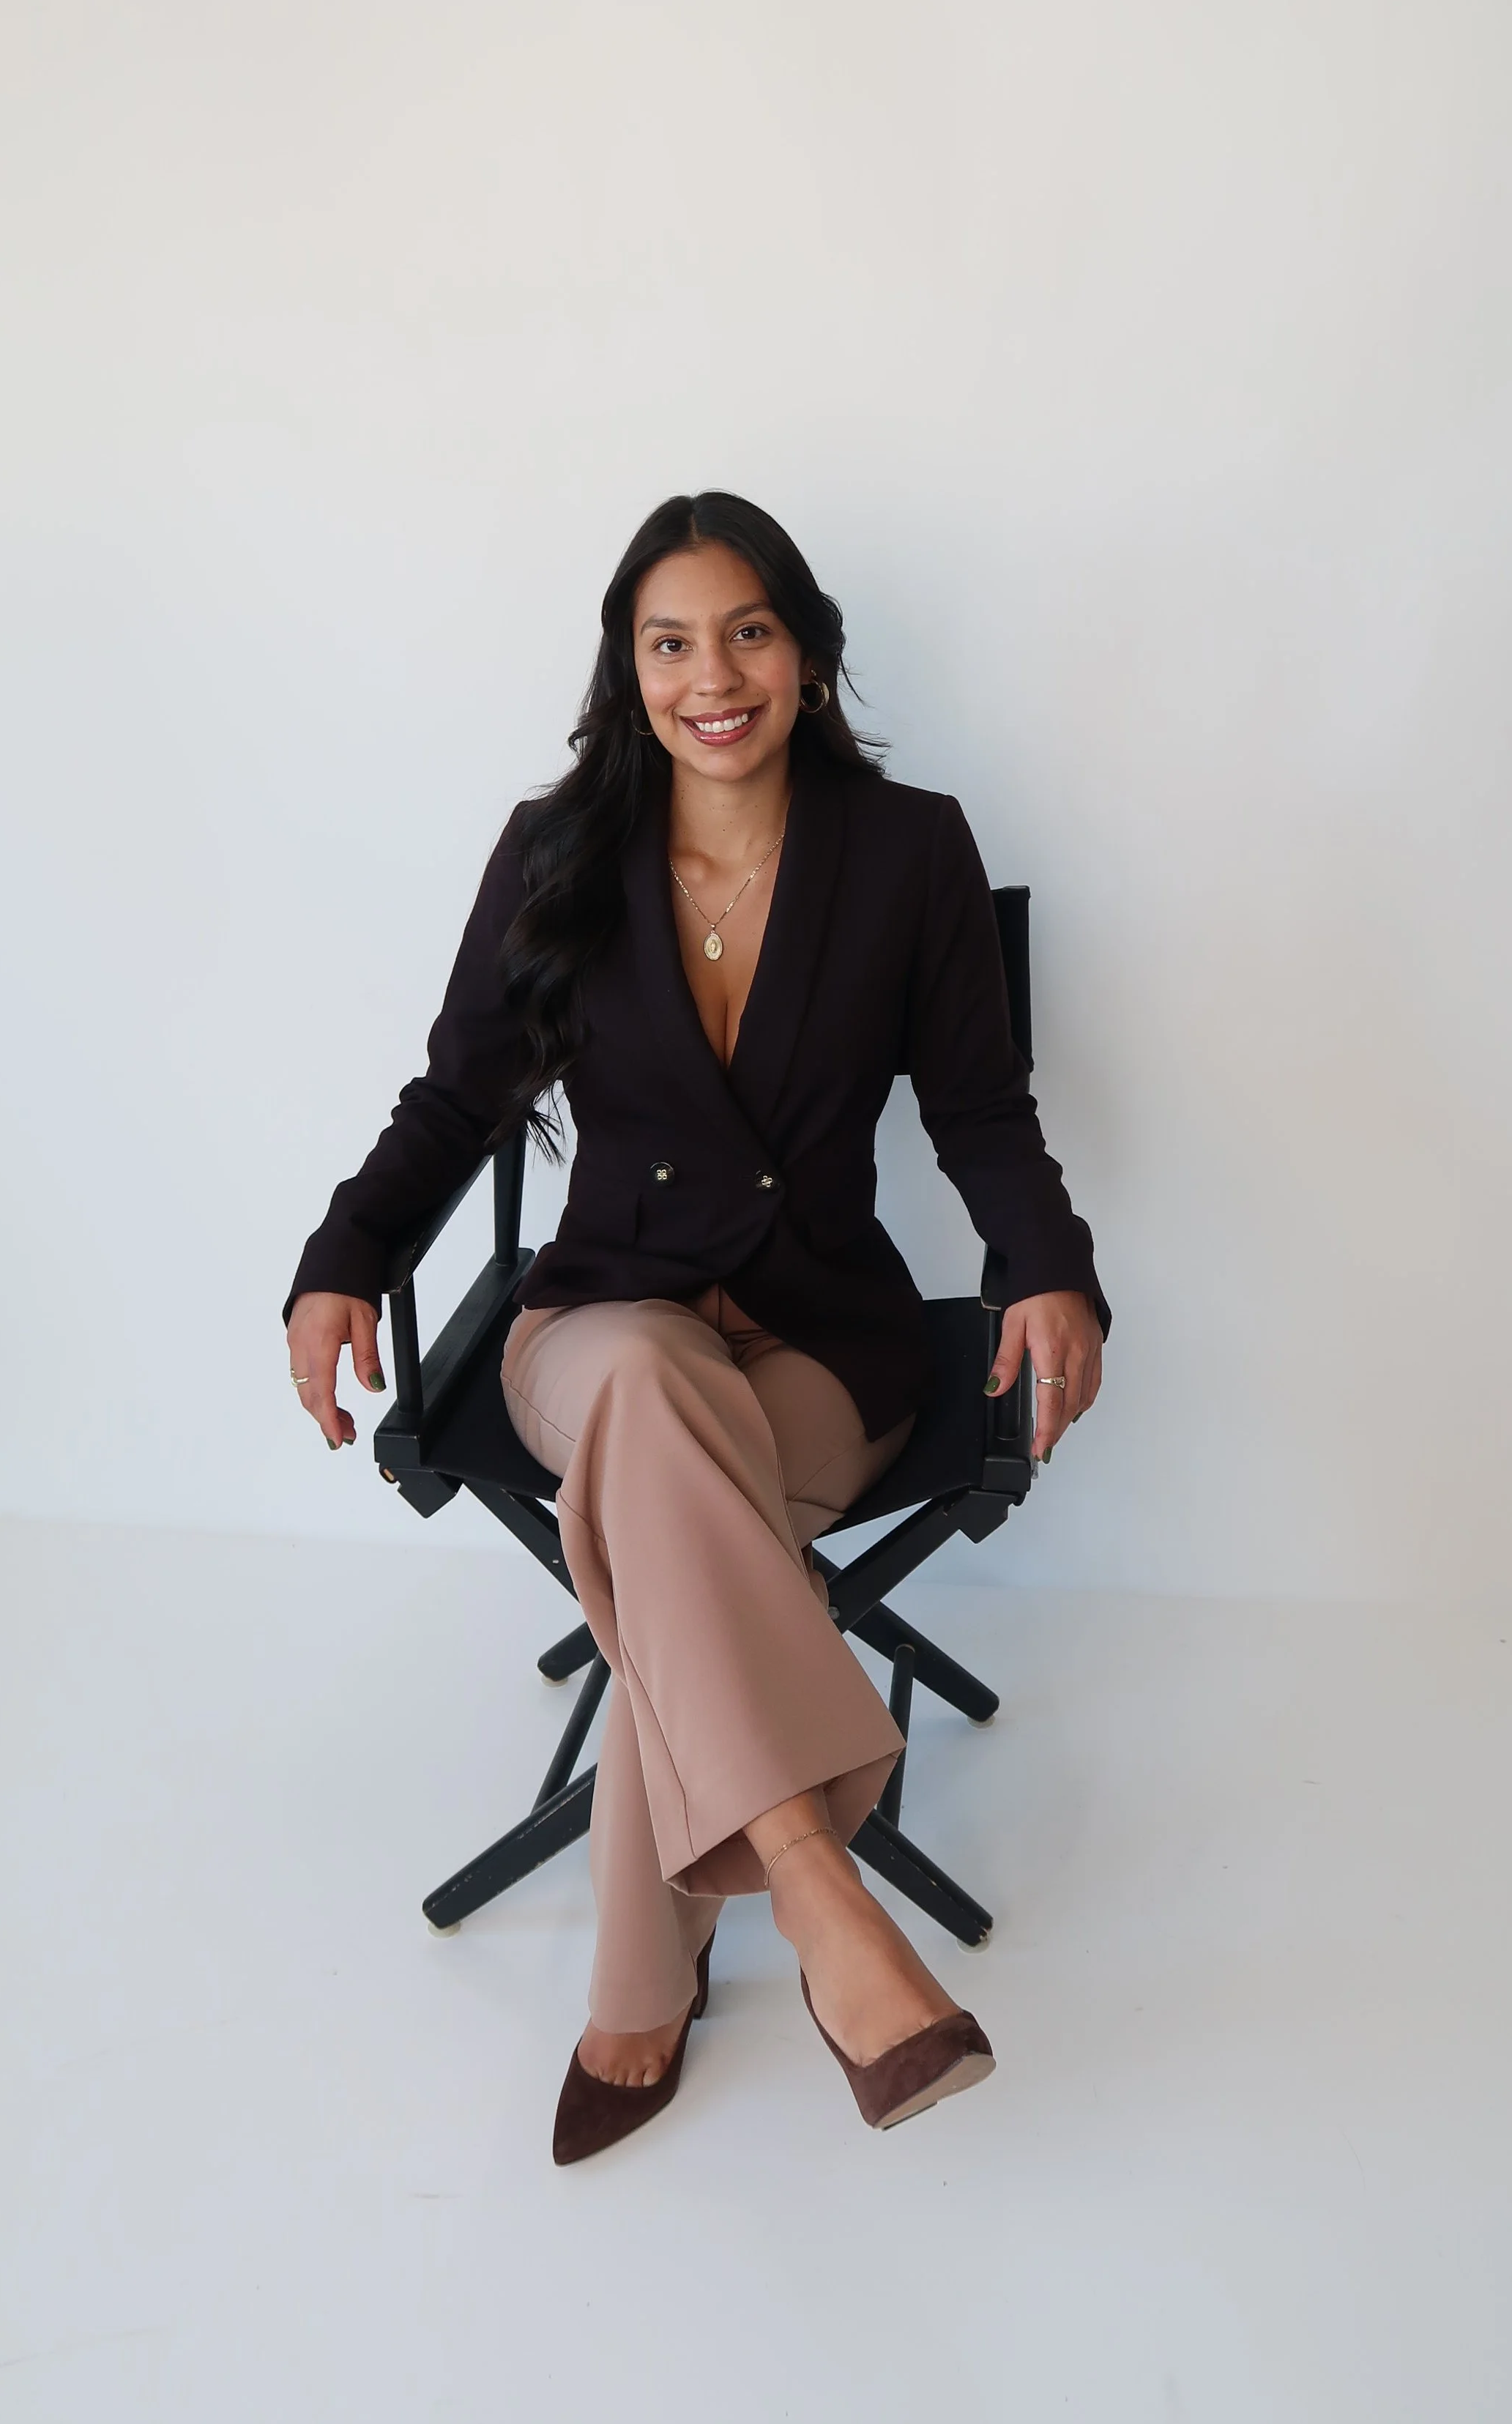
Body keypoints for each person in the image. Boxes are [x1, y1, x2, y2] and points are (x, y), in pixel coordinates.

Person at [285, 491, 1107, 2161]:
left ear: (806, 654)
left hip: (824, 1343)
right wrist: (342, 1259)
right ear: (628, 670)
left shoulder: (908, 850)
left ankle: (642, 1995)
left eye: (747, 632)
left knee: (665, 1527)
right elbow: (455, 1099)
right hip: (597, 1322)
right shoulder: (555, 851)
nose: (710, 677)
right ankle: (819, 1891)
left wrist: (1049, 1266)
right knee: (652, 1401)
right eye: (669, 644)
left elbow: (978, 1108)